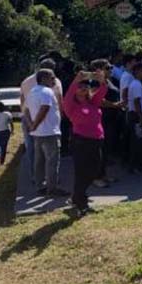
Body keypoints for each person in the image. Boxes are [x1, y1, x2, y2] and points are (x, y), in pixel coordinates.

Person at [62, 69, 108, 217]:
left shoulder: (92, 102)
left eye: (85, 86)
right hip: (81, 142)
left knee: (94, 171)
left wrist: (101, 79)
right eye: (80, 87)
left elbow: (102, 91)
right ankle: (80, 202)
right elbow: (69, 94)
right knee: (82, 173)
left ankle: (77, 198)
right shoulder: (71, 105)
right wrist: (76, 80)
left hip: (96, 141)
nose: (83, 89)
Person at [20, 59, 64, 185]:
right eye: (52, 76)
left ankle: (36, 179)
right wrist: (35, 124)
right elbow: (50, 106)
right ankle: (51, 184)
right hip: (47, 126)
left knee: (34, 152)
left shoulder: (27, 82)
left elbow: (23, 103)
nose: (54, 78)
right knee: (52, 157)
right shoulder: (51, 87)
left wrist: (30, 123)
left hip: (30, 122)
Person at [126, 62, 142, 173]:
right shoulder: (136, 85)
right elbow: (137, 101)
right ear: (138, 71)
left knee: (138, 140)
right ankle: (135, 166)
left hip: (136, 114)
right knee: (137, 142)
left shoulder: (137, 84)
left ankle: (137, 165)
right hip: (136, 115)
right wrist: (141, 117)